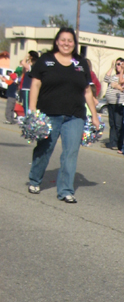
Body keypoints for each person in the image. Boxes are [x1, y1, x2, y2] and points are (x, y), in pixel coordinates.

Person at [26, 27, 100, 202]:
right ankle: (35, 179)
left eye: (70, 41)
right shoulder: (45, 60)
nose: (66, 43)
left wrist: (95, 116)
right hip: (49, 114)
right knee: (45, 149)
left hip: (75, 116)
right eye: (63, 40)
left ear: (74, 44)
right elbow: (35, 85)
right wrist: (32, 111)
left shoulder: (80, 63)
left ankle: (66, 190)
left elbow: (87, 91)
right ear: (57, 41)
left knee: (70, 152)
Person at [103, 57, 124, 151]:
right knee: (112, 123)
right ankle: (112, 142)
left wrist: (117, 86)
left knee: (118, 124)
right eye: (117, 64)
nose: (118, 66)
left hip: (119, 103)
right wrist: (111, 67)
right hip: (111, 102)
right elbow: (106, 78)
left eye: (120, 64)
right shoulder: (114, 76)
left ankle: (119, 144)